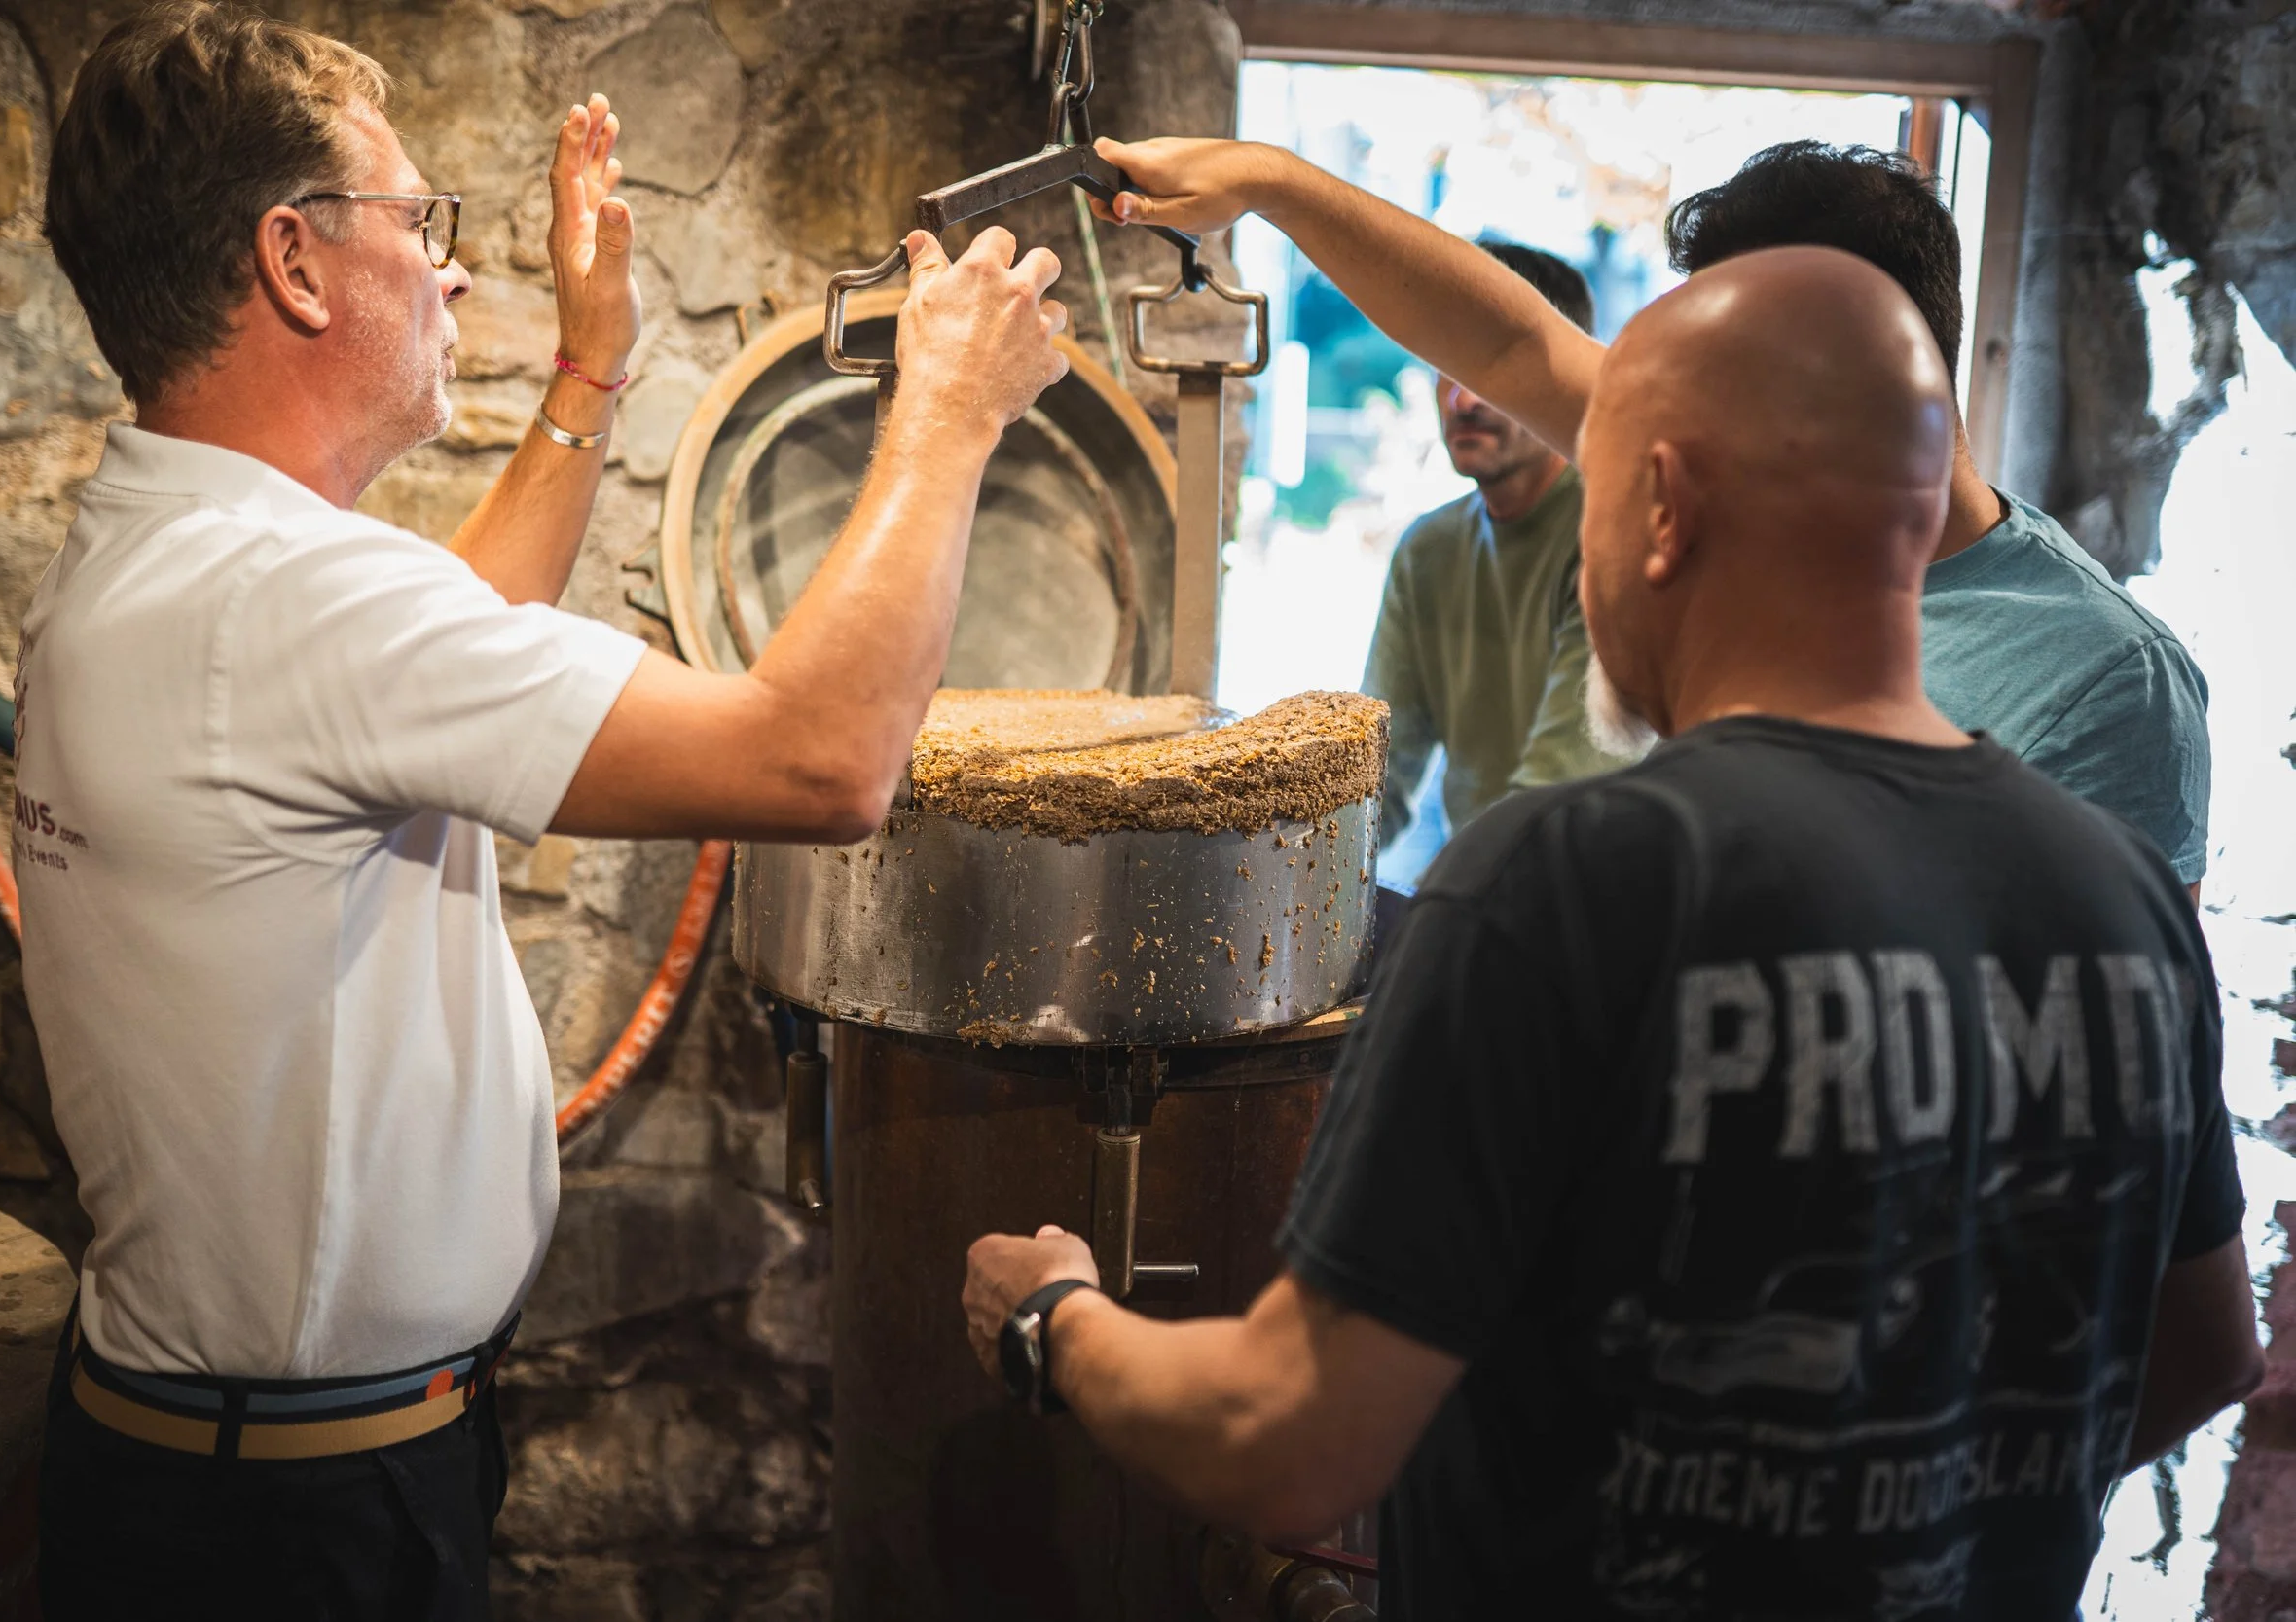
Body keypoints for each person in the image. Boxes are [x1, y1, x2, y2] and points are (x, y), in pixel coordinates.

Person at [961, 247, 2262, 1619]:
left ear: (1660, 506)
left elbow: (1292, 1443)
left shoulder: (1571, 880)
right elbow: (2203, 1353)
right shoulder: (2123, 894)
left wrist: (1057, 1320)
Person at [20, 5, 1066, 1616]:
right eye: (420, 224)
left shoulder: (172, 549)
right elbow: (824, 761)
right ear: (295, 262)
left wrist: (588, 368)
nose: (449, 269)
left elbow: (438, 645)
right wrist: (949, 405)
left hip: (207, 1467)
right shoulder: (290, 604)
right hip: (295, 1530)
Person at [1096, 137, 2213, 895]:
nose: (1659, 435)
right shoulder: (1742, 468)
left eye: (1710, 361)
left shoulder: (2106, 683)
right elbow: (1511, 345)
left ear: (1847, 365)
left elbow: (2120, 1097)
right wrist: (1273, 184)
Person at [1365, 237, 1633, 856]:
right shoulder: (1427, 550)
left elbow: (1553, 804)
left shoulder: (1612, 533)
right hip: (1486, 889)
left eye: (1490, 364)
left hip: (1598, 895)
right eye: (1445, 363)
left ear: (1564, 375)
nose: (1463, 398)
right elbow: (1376, 777)